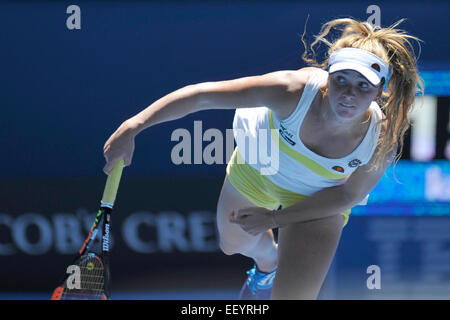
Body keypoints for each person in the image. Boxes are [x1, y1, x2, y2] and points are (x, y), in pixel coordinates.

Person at [102, 18, 423, 300]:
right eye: (341, 80)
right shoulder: (291, 90)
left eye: (362, 85)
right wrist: (135, 125)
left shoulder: (383, 136)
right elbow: (203, 95)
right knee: (232, 244)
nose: (348, 94)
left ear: (380, 90)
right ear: (328, 77)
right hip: (260, 164)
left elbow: (347, 195)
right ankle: (268, 262)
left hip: (321, 197)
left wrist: (273, 220)